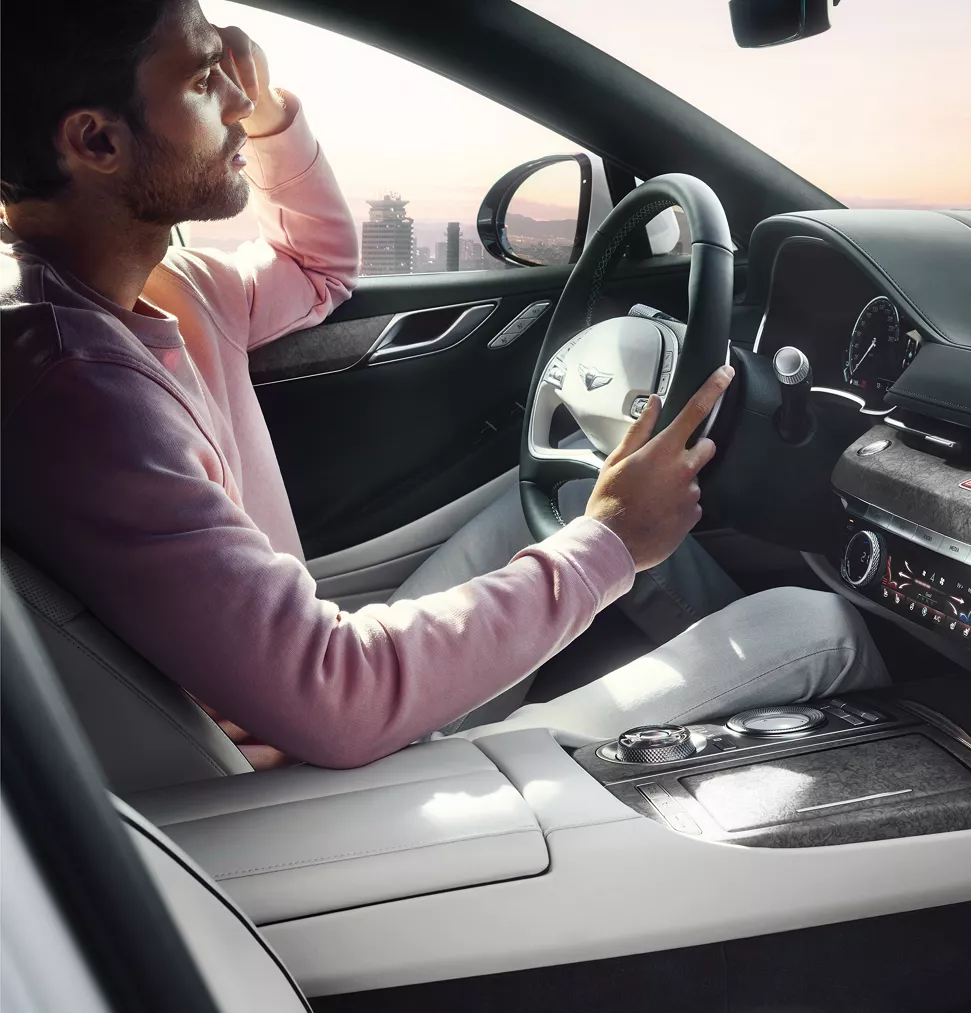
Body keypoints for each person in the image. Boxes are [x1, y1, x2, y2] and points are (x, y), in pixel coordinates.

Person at [0, 0, 886, 770]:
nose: (236, 94)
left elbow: (318, 267)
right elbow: (334, 698)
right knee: (821, 630)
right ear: (97, 140)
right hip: (297, 766)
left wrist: (267, 117)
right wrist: (616, 544)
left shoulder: (158, 291)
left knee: (578, 487)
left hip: (297, 683)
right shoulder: (84, 396)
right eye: (205, 78)